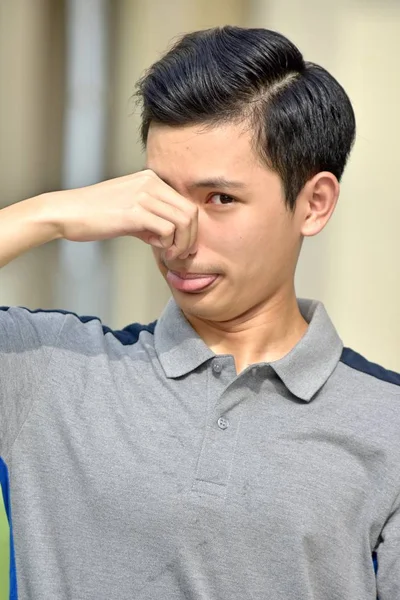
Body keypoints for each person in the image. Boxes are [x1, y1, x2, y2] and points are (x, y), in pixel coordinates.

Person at [0, 25, 398, 600]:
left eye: (220, 200)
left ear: (314, 204)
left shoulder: (389, 426)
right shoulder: (48, 368)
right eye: (160, 193)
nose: (176, 235)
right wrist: (50, 213)